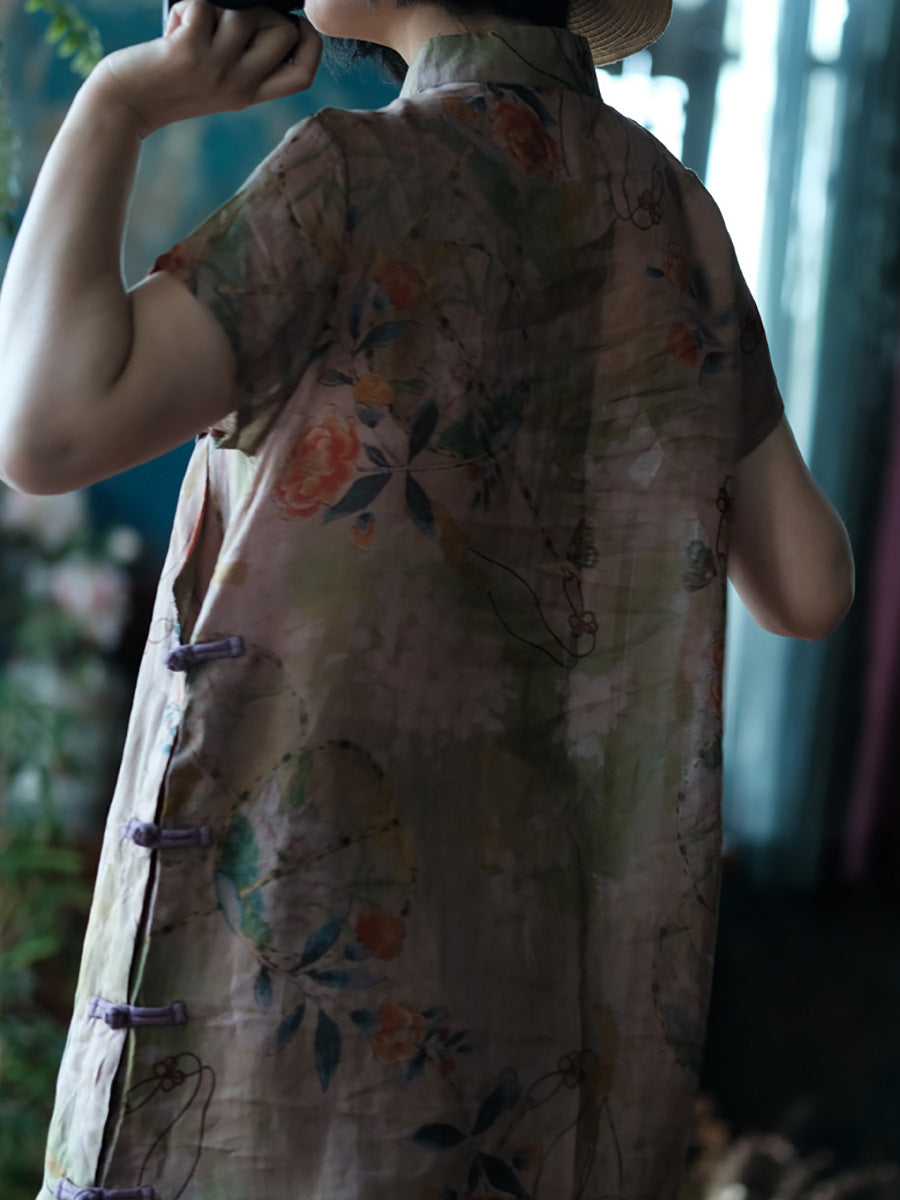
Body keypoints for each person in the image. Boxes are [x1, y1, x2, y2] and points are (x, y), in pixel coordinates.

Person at [0, 0, 854, 1196]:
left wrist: (119, 105)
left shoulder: (351, 175)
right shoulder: (678, 218)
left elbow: (46, 428)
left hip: (294, 1031)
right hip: (546, 1048)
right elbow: (810, 584)